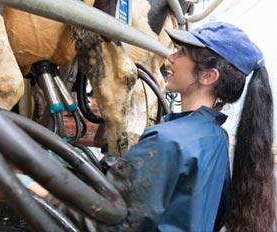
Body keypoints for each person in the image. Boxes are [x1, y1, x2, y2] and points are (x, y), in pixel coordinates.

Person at [98, 22, 275, 232]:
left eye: (181, 53)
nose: (171, 57)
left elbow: (109, 220)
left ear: (208, 76)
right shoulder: (216, 136)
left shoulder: (167, 140)